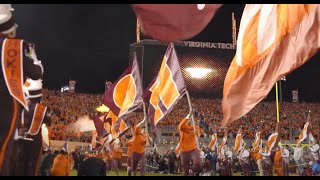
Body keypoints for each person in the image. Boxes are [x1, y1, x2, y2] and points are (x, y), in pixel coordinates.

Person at [0, 4, 43, 175]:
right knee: (3, 151)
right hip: (5, 102)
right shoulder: (13, 46)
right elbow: (35, 73)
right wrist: (34, 60)